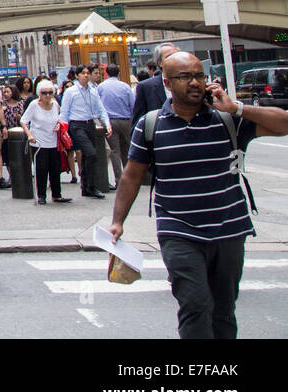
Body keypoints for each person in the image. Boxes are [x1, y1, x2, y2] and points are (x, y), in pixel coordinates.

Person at [110, 51, 288, 338]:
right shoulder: (151, 125)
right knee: (194, 303)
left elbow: (284, 123)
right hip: (178, 229)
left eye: (199, 75)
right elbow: (132, 176)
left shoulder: (227, 119)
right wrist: (118, 221)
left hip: (229, 228)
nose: (195, 82)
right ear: (167, 83)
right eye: (185, 77)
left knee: (223, 308)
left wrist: (237, 108)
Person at [58, 64, 111, 198]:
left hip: (89, 124)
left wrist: (107, 124)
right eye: (83, 73)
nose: (86, 75)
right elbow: (64, 112)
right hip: (76, 125)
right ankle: (91, 186)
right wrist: (62, 129)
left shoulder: (93, 91)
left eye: (87, 73)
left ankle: (87, 187)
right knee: (91, 153)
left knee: (89, 156)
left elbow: (101, 109)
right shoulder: (71, 91)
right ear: (77, 76)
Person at [21, 80, 70, 204]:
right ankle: (41, 195)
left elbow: (61, 118)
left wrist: (59, 125)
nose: (47, 95)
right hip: (39, 142)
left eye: (50, 93)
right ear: (39, 94)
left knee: (55, 168)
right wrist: (29, 135)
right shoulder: (34, 105)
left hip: (54, 141)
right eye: (44, 93)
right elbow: (23, 121)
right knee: (41, 169)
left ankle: (57, 194)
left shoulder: (55, 105)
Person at [98, 63, 134, 191]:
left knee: (114, 151)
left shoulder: (101, 87)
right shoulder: (125, 87)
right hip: (125, 120)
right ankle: (129, 179)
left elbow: (98, 105)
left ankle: (119, 181)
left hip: (110, 122)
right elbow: (132, 105)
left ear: (106, 73)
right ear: (118, 73)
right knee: (127, 151)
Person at [132, 42, 180, 127]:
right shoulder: (146, 87)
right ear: (160, 62)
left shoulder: (191, 83)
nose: (175, 59)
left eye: (177, 56)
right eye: (169, 57)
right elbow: (138, 123)